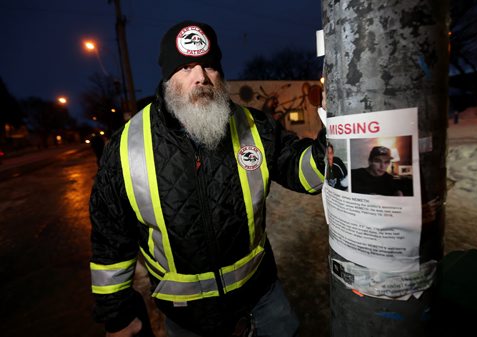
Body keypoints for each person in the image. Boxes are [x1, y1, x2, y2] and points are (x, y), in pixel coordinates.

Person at [89, 20, 326, 337]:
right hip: (188, 320)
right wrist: (117, 317)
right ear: (168, 77)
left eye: (209, 66)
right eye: (186, 67)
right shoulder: (125, 146)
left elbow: (304, 173)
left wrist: (330, 144)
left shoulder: (254, 127)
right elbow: (110, 239)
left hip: (262, 299)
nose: (200, 76)